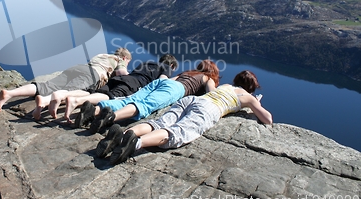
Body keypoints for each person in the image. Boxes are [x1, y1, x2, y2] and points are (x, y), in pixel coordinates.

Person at [98, 70, 273, 165]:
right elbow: (267, 119)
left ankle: (121, 136)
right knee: (176, 132)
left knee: (158, 122)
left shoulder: (227, 85)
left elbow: (212, 92)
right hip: (209, 110)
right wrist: (256, 103)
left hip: (193, 100)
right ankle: (136, 143)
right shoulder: (248, 97)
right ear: (252, 87)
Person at [78, 59, 220, 134]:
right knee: (145, 105)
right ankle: (111, 117)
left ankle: (94, 111)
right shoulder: (208, 78)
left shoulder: (189, 73)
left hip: (161, 82)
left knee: (131, 99)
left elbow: (170, 80)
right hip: (177, 89)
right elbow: (211, 93)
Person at [0, 48, 132, 120]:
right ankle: (43, 102)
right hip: (92, 75)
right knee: (75, 91)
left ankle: (10, 93)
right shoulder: (120, 60)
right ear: (125, 57)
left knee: (46, 85)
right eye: (128, 62)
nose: (126, 63)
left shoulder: (103, 55)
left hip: (78, 68)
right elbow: (122, 74)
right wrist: (129, 73)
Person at [65, 54, 179, 124]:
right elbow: (162, 81)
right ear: (172, 66)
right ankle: (77, 101)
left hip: (124, 78)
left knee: (98, 92)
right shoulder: (167, 68)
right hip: (135, 84)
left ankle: (69, 97)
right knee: (111, 96)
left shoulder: (147, 63)